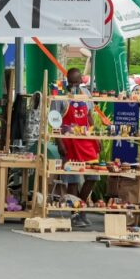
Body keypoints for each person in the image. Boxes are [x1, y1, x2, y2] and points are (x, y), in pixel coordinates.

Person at [55, 68, 99, 227]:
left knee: (93, 176)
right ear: (67, 81)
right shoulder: (60, 96)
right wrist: (59, 142)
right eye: (71, 83)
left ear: (81, 81)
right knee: (72, 179)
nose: (74, 86)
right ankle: (75, 213)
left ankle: (81, 208)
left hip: (86, 140)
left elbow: (89, 117)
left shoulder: (86, 94)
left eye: (77, 82)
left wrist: (96, 137)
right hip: (69, 142)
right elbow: (55, 121)